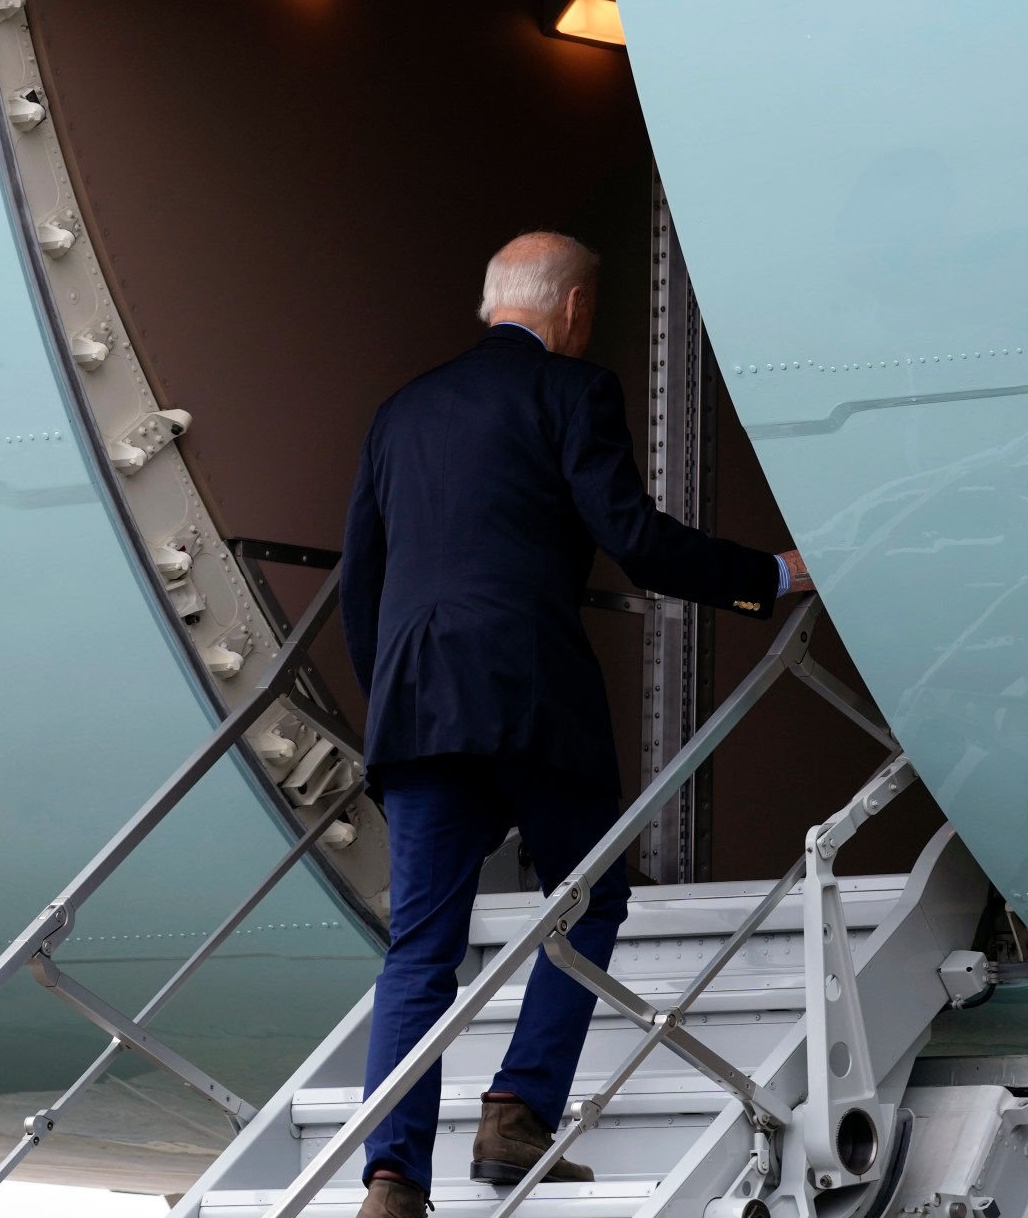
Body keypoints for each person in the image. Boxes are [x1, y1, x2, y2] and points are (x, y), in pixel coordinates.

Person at [339, 231, 806, 1217]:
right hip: (533, 700)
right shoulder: (572, 392)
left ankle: (390, 1176)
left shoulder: (399, 412)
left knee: (418, 954)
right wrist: (771, 575)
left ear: (488, 303)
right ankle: (515, 1115)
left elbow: (363, 588)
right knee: (583, 902)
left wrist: (392, 699)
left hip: (418, 709)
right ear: (577, 308)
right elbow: (634, 541)